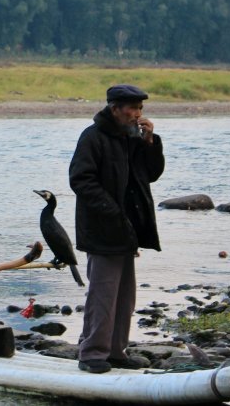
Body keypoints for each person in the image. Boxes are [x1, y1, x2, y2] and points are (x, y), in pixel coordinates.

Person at [69, 83, 164, 374]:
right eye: (132, 109)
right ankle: (91, 353)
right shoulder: (93, 137)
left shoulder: (132, 137)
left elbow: (151, 174)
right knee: (103, 293)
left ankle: (115, 351)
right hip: (102, 229)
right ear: (115, 109)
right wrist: (112, 212)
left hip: (127, 229)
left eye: (140, 109)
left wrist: (150, 143)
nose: (137, 114)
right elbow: (80, 180)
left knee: (125, 295)